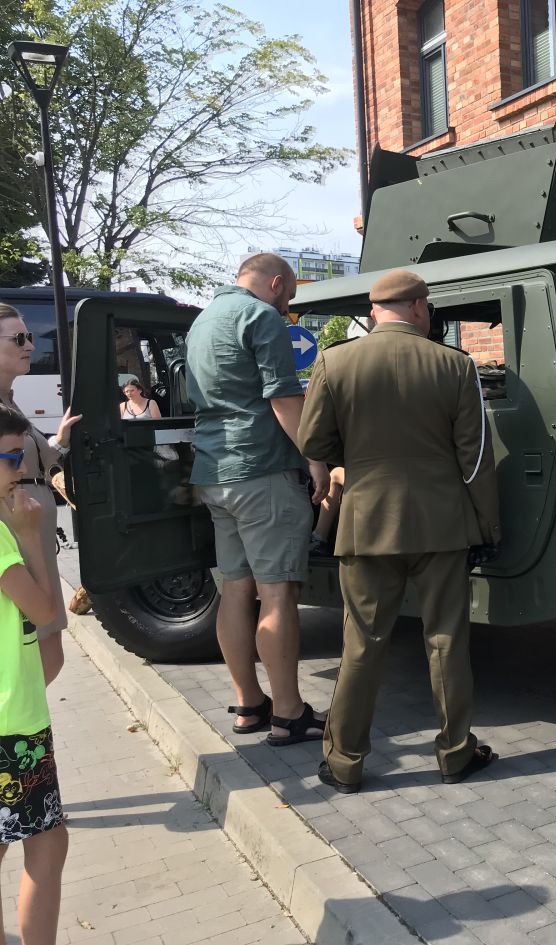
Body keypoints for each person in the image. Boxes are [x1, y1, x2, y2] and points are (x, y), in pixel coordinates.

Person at [298, 269, 500, 793]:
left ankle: (344, 763)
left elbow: (313, 442)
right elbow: (475, 458)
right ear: (417, 307)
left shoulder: (335, 361)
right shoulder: (455, 364)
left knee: (362, 645)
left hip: (365, 524)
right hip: (441, 524)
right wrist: (487, 525)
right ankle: (455, 754)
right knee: (446, 640)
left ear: (374, 312)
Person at [186, 253, 330, 745]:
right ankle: (289, 714)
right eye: (288, 294)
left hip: (214, 471)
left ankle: (250, 705)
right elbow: (283, 398)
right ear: (275, 282)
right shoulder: (261, 316)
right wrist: (315, 459)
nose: (287, 306)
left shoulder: (202, 320)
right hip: (262, 470)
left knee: (234, 588)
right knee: (277, 592)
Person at [0, 405, 69, 945]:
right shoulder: (2, 539)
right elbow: (44, 610)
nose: (19, 470)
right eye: (9, 458)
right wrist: (29, 536)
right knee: (47, 844)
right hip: (13, 724)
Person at [0, 304, 80, 686]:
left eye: (29, 337)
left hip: (29, 539)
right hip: (15, 542)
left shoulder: (9, 401)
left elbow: (32, 460)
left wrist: (58, 441)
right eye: (19, 338)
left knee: (46, 653)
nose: (30, 345)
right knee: (39, 654)